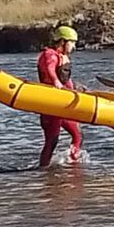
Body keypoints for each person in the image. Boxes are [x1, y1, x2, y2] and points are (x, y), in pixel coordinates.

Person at [37, 25, 83, 167]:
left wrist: (75, 89)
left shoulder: (62, 57)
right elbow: (50, 69)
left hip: (63, 105)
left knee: (78, 135)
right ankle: (43, 170)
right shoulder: (49, 55)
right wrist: (56, 82)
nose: (74, 46)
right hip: (51, 105)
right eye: (72, 42)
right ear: (63, 42)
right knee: (52, 141)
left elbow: (66, 81)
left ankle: (73, 162)